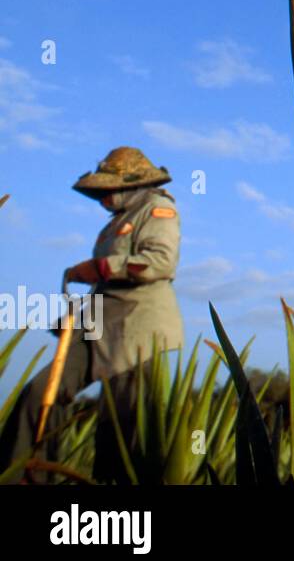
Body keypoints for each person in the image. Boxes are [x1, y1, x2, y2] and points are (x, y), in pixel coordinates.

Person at [0, 147, 183, 481]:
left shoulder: (158, 209)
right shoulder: (116, 223)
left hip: (137, 331)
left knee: (123, 426)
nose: (102, 199)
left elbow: (160, 263)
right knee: (41, 394)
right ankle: (25, 476)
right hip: (99, 324)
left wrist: (99, 266)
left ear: (132, 184)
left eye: (107, 191)